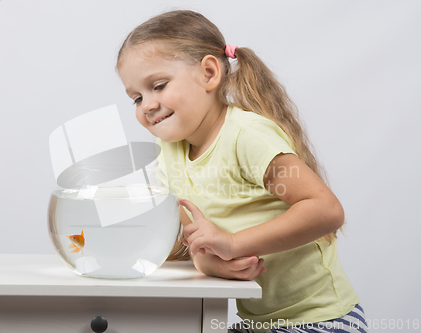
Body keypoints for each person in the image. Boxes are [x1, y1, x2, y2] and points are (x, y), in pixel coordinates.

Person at [116, 9, 368, 333]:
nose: (147, 105)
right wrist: (203, 259)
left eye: (159, 86)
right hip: (260, 324)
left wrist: (234, 243)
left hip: (322, 320)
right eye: (136, 97)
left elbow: (327, 210)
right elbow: (191, 240)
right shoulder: (168, 153)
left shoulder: (245, 136)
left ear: (208, 73)